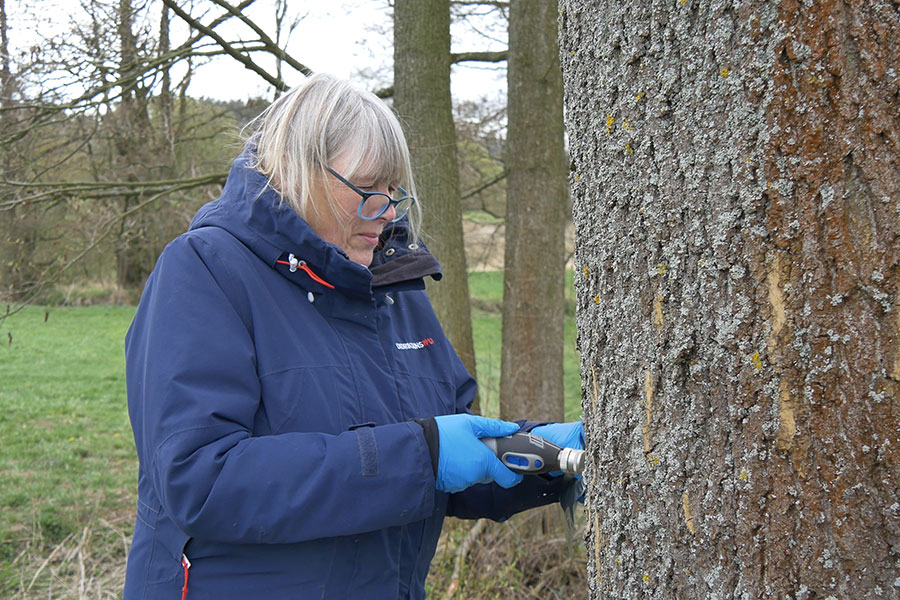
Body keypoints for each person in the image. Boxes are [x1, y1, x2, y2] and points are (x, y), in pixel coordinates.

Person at [122, 73, 584, 599]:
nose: (386, 212)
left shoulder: (391, 289)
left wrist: (551, 457)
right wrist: (423, 457)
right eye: (368, 188)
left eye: (393, 191)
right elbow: (199, 479)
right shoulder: (206, 270)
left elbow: (454, 452)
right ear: (300, 174)